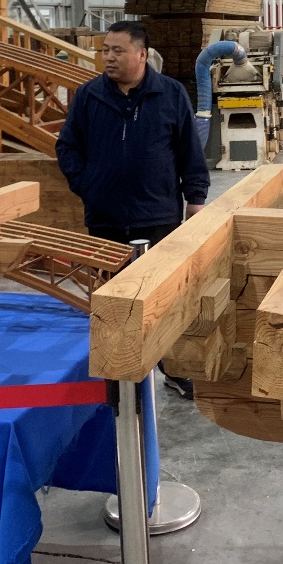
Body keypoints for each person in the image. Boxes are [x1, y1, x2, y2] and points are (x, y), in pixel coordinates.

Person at [56, 20, 209, 397]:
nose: (108, 57)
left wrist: (196, 200)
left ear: (141, 54)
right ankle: (118, 377)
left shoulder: (170, 93)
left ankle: (173, 368)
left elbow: (190, 151)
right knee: (111, 301)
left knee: (164, 301)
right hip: (105, 219)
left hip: (158, 217)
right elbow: (67, 146)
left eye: (117, 51)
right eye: (105, 50)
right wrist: (87, 185)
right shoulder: (89, 95)